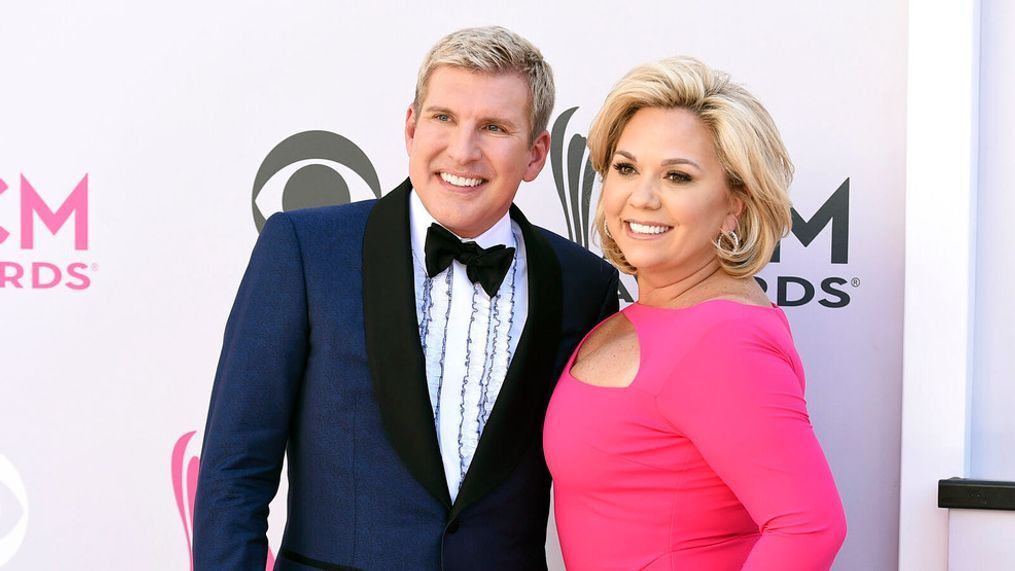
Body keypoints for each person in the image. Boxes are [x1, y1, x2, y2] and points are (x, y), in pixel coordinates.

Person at [193, 26, 619, 571]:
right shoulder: (305, 250)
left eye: (494, 127)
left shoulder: (584, 284)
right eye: (444, 118)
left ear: (536, 154)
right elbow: (234, 471)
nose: (462, 151)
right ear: (412, 126)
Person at [543, 56, 846, 570]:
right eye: (625, 168)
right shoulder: (639, 315)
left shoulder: (722, 339)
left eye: (678, 176)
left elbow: (810, 527)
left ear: (735, 205)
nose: (642, 197)